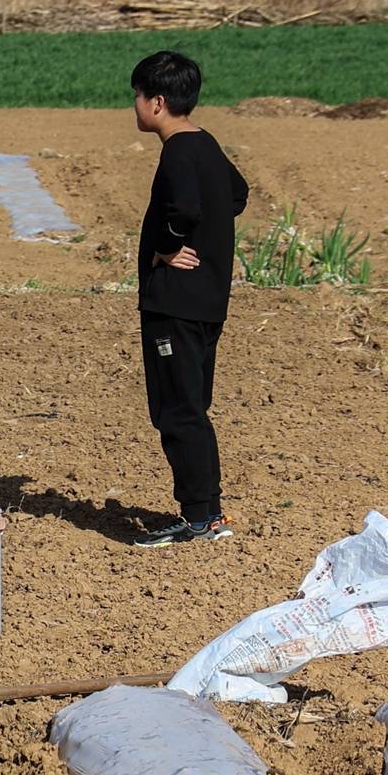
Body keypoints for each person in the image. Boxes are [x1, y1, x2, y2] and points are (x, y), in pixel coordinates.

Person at [129, 50, 249, 546]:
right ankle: (206, 513)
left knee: (177, 410)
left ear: (157, 102)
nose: (133, 106)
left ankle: (202, 518)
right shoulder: (206, 144)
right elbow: (237, 193)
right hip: (207, 300)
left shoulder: (178, 151)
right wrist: (209, 239)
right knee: (191, 405)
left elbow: (183, 207)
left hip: (175, 303)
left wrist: (167, 248)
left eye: (136, 97)